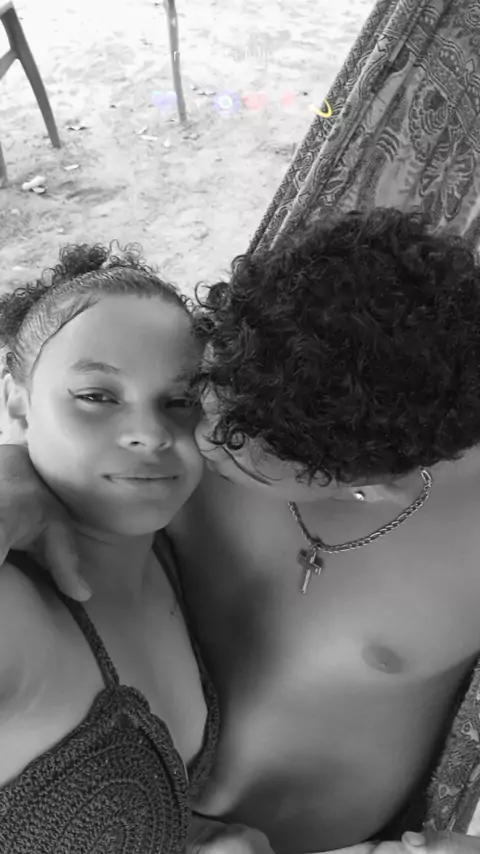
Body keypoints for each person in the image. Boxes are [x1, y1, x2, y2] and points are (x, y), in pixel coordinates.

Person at [2, 209, 480, 854]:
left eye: (242, 461)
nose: (191, 440)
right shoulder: (233, 378)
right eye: (202, 399)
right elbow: (76, 380)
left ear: (371, 485)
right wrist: (16, 469)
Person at [0, 243, 273, 854]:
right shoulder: (12, 611)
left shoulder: (177, 545)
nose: (149, 435)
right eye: (97, 396)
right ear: (18, 402)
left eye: (180, 402)